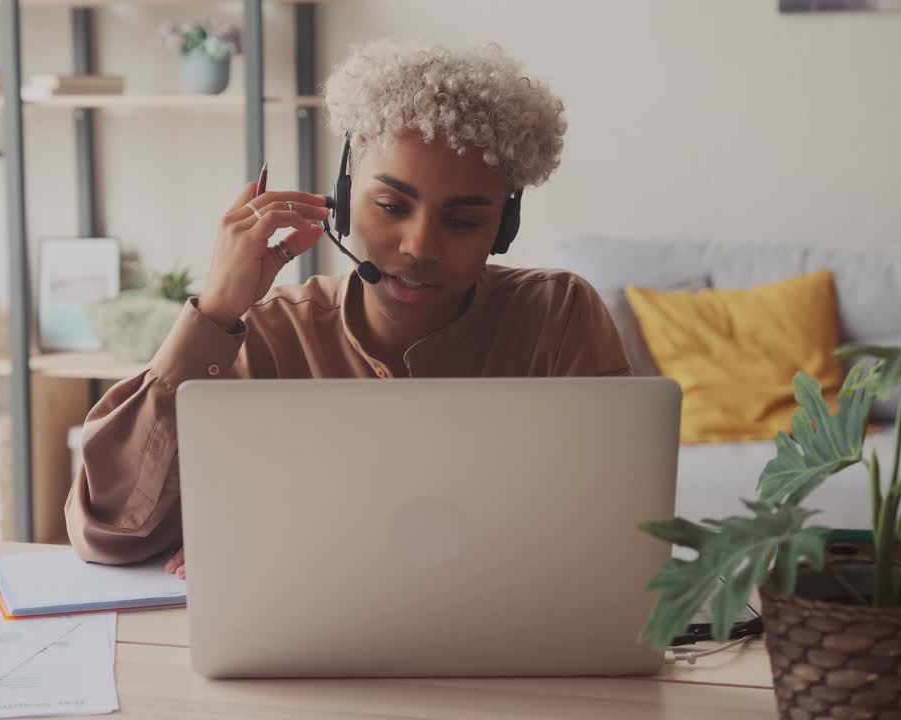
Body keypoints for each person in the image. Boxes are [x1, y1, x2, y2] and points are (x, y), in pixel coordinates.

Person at [64, 40, 631, 578]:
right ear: (343, 194)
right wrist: (213, 314)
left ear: (503, 228)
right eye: (390, 205)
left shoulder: (558, 316)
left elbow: (610, 530)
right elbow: (109, 531)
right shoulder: (262, 334)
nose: (419, 247)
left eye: (462, 221)